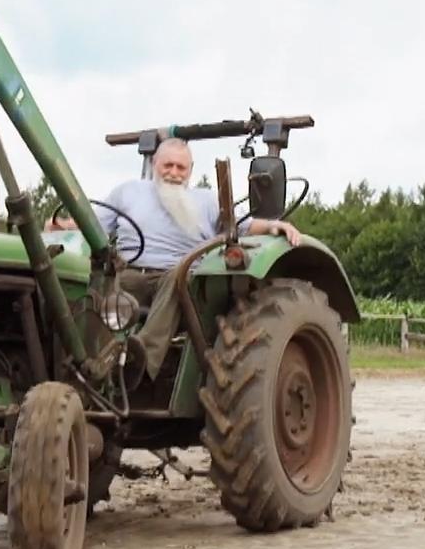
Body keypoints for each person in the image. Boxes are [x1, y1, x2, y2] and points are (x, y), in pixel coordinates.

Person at [56, 137, 300, 377]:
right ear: (155, 165)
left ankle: (139, 359)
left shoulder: (206, 201)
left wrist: (273, 226)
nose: (173, 172)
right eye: (167, 165)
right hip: (130, 273)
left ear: (190, 171)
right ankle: (87, 363)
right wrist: (61, 226)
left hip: (180, 279)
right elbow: (94, 227)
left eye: (180, 167)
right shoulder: (127, 193)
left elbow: (242, 226)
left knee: (178, 276)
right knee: (97, 282)